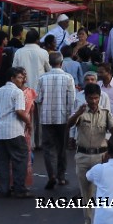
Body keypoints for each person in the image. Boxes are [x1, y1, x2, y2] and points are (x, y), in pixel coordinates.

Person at [70, 84, 113, 224]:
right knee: (86, 194)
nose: (94, 101)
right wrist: (77, 113)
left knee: (99, 194)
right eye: (91, 98)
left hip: (100, 157)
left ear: (100, 98)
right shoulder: (81, 112)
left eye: (96, 98)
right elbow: (68, 124)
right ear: (86, 98)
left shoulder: (105, 113)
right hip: (82, 156)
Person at [0, 67, 32, 198]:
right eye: (19, 77)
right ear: (12, 79)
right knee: (20, 160)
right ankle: (19, 189)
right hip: (14, 131)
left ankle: (4, 189)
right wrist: (28, 122)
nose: (22, 80)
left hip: (0, 132)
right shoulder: (17, 92)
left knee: (3, 162)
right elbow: (19, 111)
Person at [37, 51, 75, 190]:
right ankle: (61, 177)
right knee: (61, 148)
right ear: (62, 63)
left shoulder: (42, 78)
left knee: (48, 148)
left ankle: (51, 175)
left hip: (46, 118)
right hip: (63, 118)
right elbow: (71, 101)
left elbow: (38, 99)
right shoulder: (68, 78)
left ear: (49, 63)